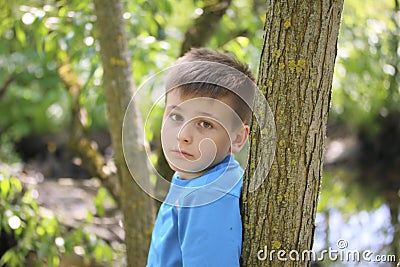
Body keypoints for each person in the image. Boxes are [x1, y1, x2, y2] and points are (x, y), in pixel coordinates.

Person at [147, 48, 256, 267]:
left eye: (205, 124)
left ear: (237, 138)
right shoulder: (197, 180)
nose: (183, 135)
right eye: (176, 116)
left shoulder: (209, 197)